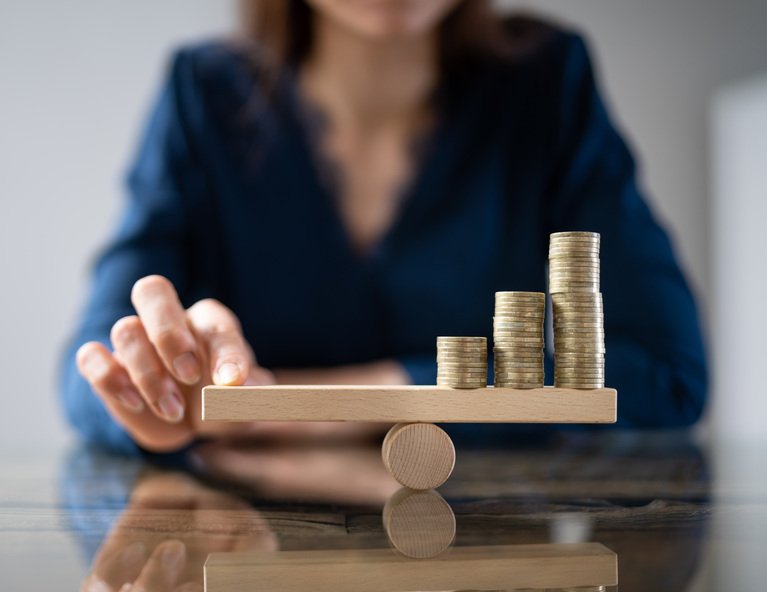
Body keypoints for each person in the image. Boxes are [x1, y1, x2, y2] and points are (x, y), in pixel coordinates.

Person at [60, 0, 708, 455]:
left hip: (481, 546)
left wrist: (319, 405)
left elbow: (667, 374)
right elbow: (88, 369)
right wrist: (152, 404)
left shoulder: (549, 81)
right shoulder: (200, 91)